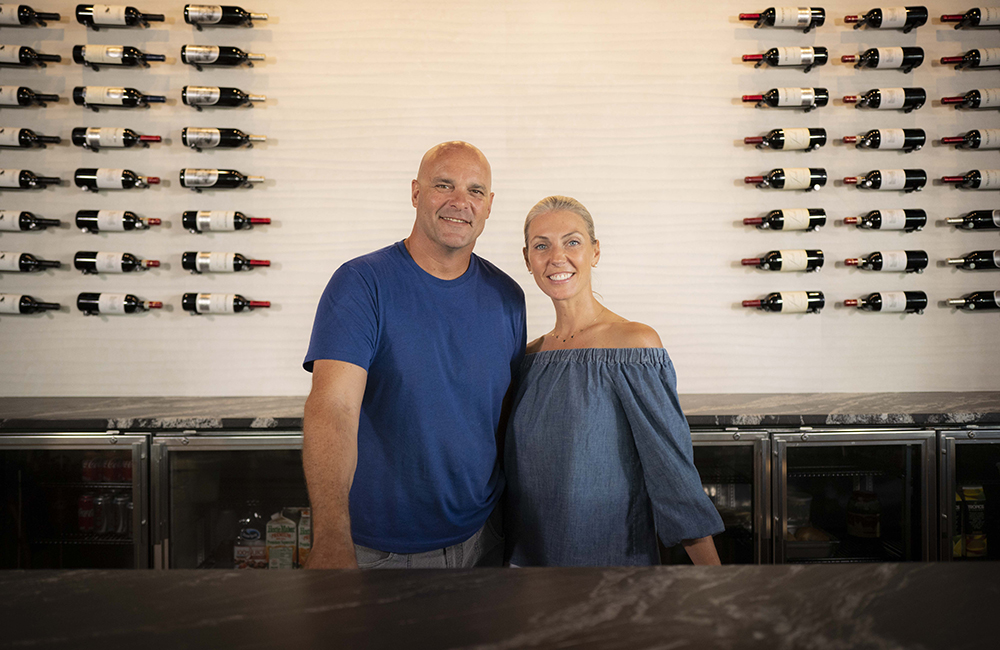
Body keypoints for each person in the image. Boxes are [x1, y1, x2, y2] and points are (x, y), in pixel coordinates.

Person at [302, 142, 526, 569]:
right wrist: (331, 536)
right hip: (379, 551)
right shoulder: (361, 284)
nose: (460, 202)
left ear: (490, 205)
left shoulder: (507, 298)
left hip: (485, 540)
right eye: (444, 185)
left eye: (475, 191)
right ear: (415, 192)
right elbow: (333, 407)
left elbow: (504, 420)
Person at [504, 195, 723, 566]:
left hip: (611, 566)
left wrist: (714, 579)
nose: (557, 257)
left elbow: (671, 471)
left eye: (572, 241)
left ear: (595, 252)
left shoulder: (634, 345)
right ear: (528, 259)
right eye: (542, 246)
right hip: (527, 569)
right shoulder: (527, 359)